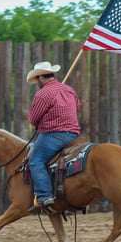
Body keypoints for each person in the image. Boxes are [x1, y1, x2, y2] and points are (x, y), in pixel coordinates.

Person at [26, 61, 81, 211]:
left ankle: (45, 196)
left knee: (35, 161)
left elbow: (33, 119)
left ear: (41, 78)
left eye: (37, 79)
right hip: (74, 134)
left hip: (54, 135)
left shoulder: (43, 94)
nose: (37, 82)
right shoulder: (69, 90)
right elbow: (77, 107)